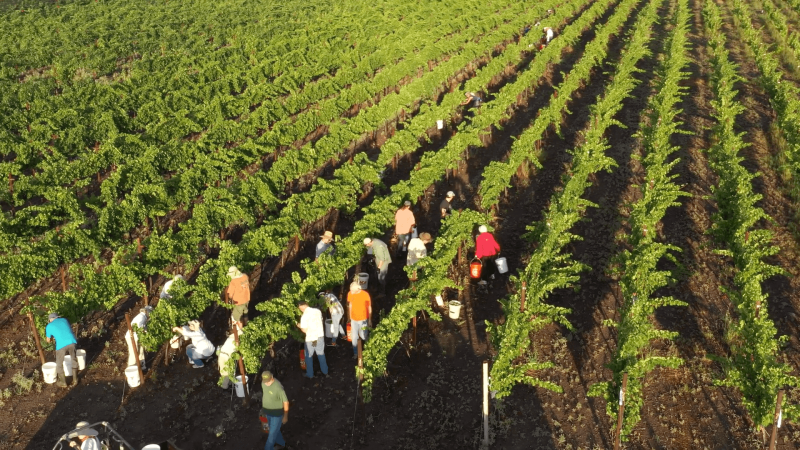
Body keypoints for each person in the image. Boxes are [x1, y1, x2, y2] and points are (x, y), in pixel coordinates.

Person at [297, 301, 328, 379]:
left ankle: (310, 374)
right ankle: (325, 372)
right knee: (321, 354)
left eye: (300, 308)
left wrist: (299, 325)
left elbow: (304, 330)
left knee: (308, 356)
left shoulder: (304, 316)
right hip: (319, 337)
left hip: (311, 339)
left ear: (302, 307)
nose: (300, 310)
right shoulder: (317, 311)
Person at [45, 313, 77, 388]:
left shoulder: (49, 326)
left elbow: (48, 340)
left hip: (61, 345)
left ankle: (63, 382)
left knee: (59, 364)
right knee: (73, 359)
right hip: (72, 341)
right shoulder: (64, 320)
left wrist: (53, 338)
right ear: (57, 317)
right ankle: (75, 380)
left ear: (50, 320)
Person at [260, 370, 289, 450]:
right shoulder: (263, 383)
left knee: (271, 436)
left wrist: (285, 416)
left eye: (268, 381)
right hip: (268, 412)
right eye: (265, 381)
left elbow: (285, 402)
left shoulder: (278, 388)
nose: (266, 383)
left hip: (277, 414)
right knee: (274, 430)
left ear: (272, 377)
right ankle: (281, 444)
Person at [218, 317, 245, 390]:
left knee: (230, 371)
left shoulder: (234, 337)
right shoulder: (233, 339)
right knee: (226, 373)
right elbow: (238, 349)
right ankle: (224, 387)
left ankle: (229, 384)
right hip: (224, 356)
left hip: (227, 356)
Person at [347, 281, 372, 359]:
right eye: (350, 290)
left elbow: (369, 307)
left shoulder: (365, 295)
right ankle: (356, 353)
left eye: (352, 290)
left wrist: (370, 320)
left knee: (364, 336)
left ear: (358, 289)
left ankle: (367, 352)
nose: (351, 292)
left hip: (363, 320)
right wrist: (350, 317)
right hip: (354, 320)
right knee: (354, 338)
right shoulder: (350, 293)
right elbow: (350, 305)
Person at [125, 305, 153, 370]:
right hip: (131, 337)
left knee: (141, 350)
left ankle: (142, 367)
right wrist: (145, 333)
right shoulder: (141, 317)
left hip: (138, 337)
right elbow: (139, 327)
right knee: (133, 353)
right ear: (147, 312)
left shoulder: (144, 317)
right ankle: (131, 370)